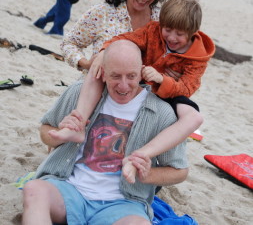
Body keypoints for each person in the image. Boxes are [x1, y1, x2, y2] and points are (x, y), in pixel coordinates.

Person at [22, 40, 189, 225]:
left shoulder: (161, 112)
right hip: (69, 188)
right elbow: (45, 129)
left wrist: (147, 174)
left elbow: (180, 171)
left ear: (142, 70)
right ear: (103, 70)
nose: (123, 86)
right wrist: (59, 134)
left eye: (131, 76)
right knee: (33, 189)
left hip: (123, 203)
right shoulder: (79, 93)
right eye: (115, 76)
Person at [54, 0, 214, 183]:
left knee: (195, 117)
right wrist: (104, 51)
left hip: (169, 91)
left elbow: (188, 87)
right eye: (168, 29)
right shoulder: (153, 30)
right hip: (136, 80)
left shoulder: (199, 55)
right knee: (100, 67)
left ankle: (145, 153)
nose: (171, 37)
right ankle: (78, 123)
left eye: (179, 34)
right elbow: (125, 39)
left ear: (193, 32)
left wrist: (163, 80)